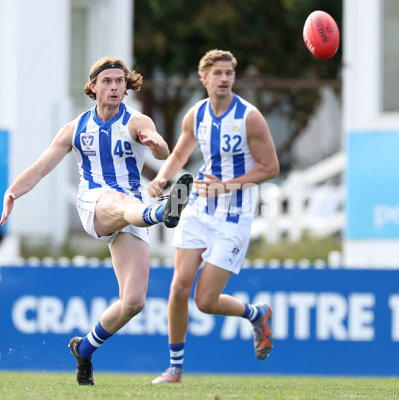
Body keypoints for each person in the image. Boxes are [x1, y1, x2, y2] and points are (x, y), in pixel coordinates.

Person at [0, 55, 193, 386]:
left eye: (120, 81)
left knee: (133, 302)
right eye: (107, 81)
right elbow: (41, 168)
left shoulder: (136, 121)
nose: (115, 86)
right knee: (122, 201)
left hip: (130, 213)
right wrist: (13, 192)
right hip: (95, 205)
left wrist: (154, 142)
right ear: (92, 87)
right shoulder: (76, 128)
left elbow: (162, 150)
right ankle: (162, 212)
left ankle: (84, 349)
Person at [147, 49, 280, 383]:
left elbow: (271, 168)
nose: (224, 79)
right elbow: (180, 152)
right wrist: (163, 177)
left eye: (229, 73)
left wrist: (227, 186)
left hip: (234, 217)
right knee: (178, 288)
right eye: (217, 73)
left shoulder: (250, 117)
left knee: (205, 301)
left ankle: (257, 314)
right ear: (203, 77)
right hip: (198, 210)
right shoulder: (196, 115)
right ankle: (175, 368)